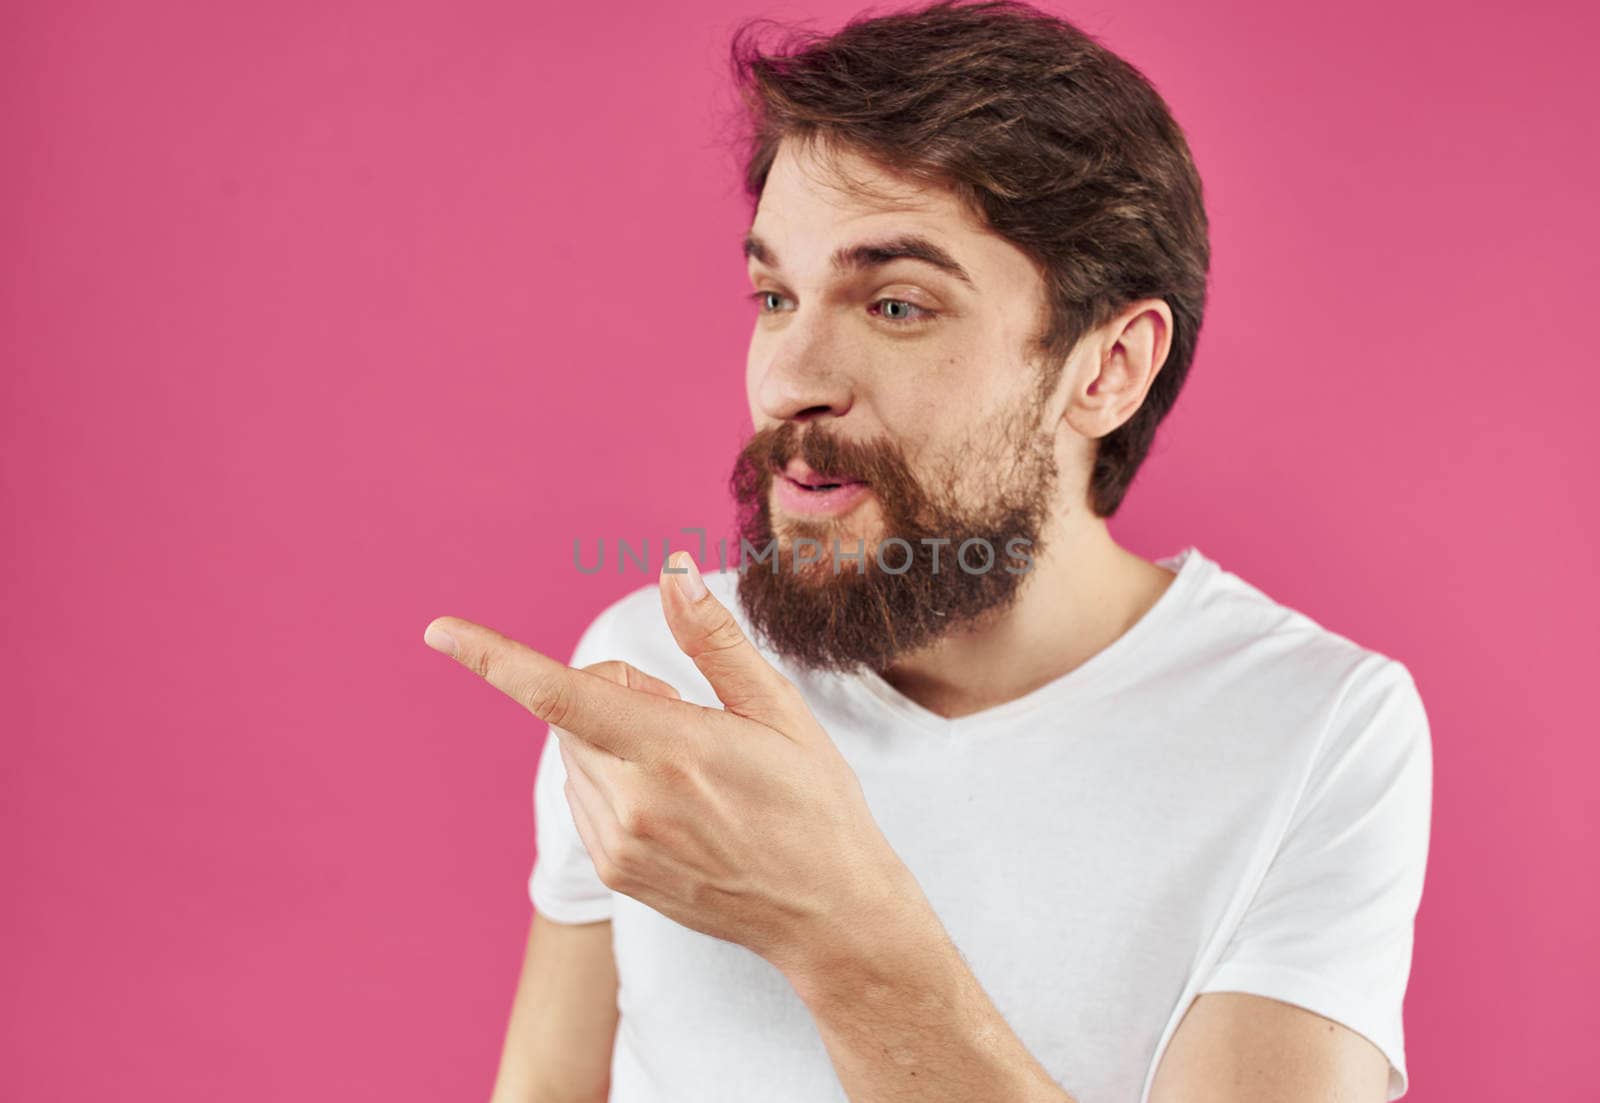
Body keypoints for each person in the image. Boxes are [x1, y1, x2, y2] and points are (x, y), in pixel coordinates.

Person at [441, 2, 1433, 1100]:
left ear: (1105, 367)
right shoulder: (650, 673)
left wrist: (836, 930)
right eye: (774, 295)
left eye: (897, 304)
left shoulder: (1315, 727)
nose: (784, 379)